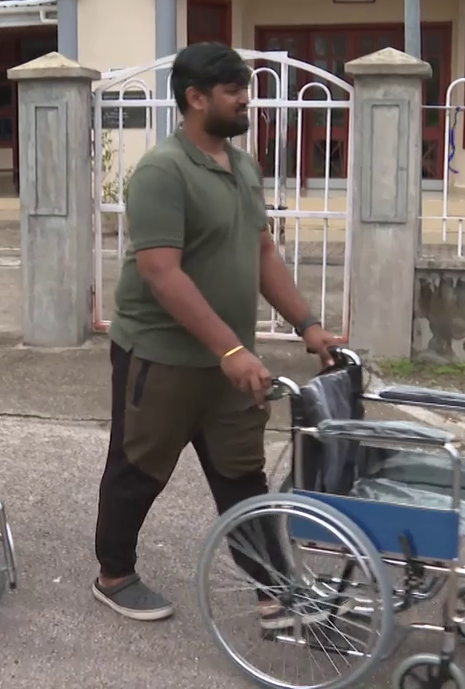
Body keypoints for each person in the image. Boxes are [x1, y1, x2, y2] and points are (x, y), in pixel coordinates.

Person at [91, 42, 345, 628]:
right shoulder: (163, 170)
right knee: (138, 469)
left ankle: (273, 591)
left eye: (245, 88)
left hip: (232, 364)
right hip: (161, 357)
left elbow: (261, 253)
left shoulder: (244, 167)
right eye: (233, 90)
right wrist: (228, 348)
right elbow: (161, 272)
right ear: (195, 98)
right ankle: (114, 575)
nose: (245, 99)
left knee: (243, 475)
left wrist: (308, 325)